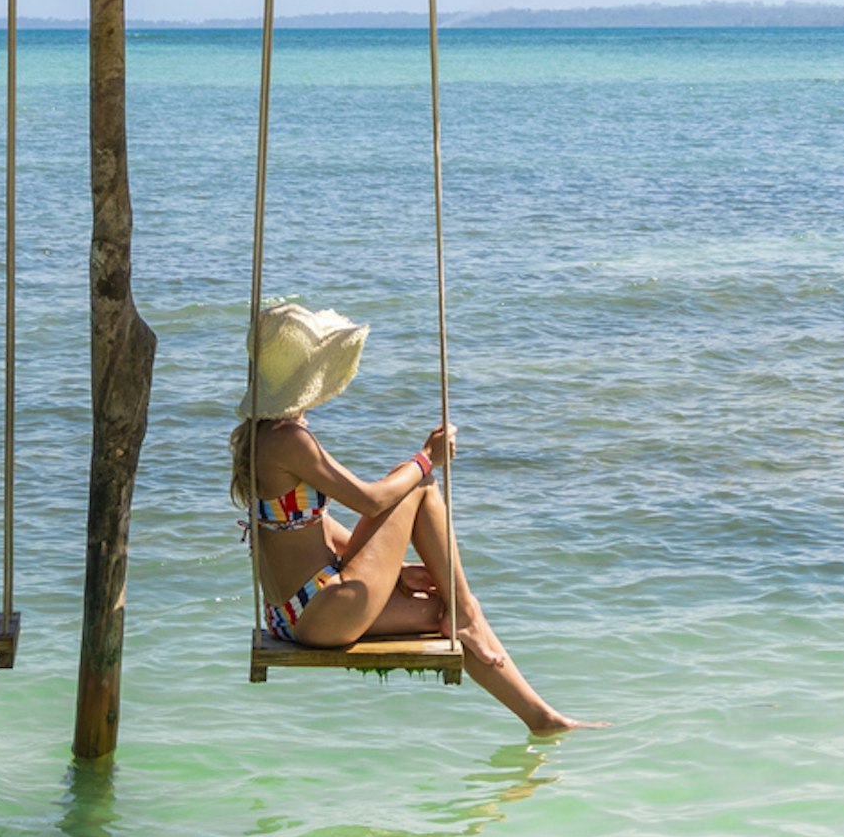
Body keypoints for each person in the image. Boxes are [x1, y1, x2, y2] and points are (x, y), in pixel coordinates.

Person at [230, 300, 589, 735]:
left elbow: (310, 526)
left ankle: (541, 717)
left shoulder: (259, 438)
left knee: (442, 606)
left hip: (294, 613)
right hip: (321, 611)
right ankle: (472, 624)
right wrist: (426, 459)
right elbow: (371, 501)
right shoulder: (290, 439)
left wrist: (396, 572)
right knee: (418, 486)